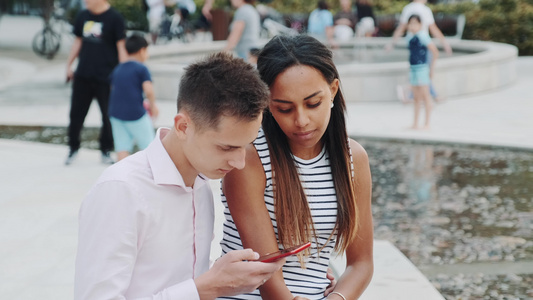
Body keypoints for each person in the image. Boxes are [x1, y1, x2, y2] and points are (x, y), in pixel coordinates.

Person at [74, 52, 285, 299]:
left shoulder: (200, 184)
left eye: (246, 145)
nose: (239, 163)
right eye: (227, 147)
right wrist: (208, 287)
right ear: (183, 126)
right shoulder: (121, 190)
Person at [218, 35, 374, 299]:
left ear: (333, 90)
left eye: (313, 104)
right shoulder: (249, 158)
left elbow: (361, 263)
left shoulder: (353, 159)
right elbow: (266, 272)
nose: (301, 120)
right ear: (268, 104)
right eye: (285, 109)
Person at [65, 0, 127, 166]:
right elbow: (78, 41)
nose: (85, 1)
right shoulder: (83, 16)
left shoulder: (115, 18)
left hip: (106, 78)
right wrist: (69, 65)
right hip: (83, 76)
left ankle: (106, 150)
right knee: (76, 115)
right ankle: (73, 148)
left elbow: (121, 47)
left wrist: (123, 75)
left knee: (108, 117)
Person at [108, 34, 159, 162]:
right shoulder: (142, 69)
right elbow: (149, 91)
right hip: (135, 114)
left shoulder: (118, 69)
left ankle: (121, 175)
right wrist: (153, 106)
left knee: (122, 147)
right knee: (150, 145)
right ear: (142, 51)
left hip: (115, 113)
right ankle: (152, 175)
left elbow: (112, 89)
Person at [406, 15, 438, 130]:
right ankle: (415, 123)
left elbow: (434, 51)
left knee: (426, 96)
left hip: (422, 69)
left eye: (415, 23)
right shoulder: (409, 37)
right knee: (416, 98)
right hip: (413, 69)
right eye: (410, 23)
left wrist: (431, 69)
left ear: (420, 25)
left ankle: (427, 123)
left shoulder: (423, 36)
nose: (412, 26)